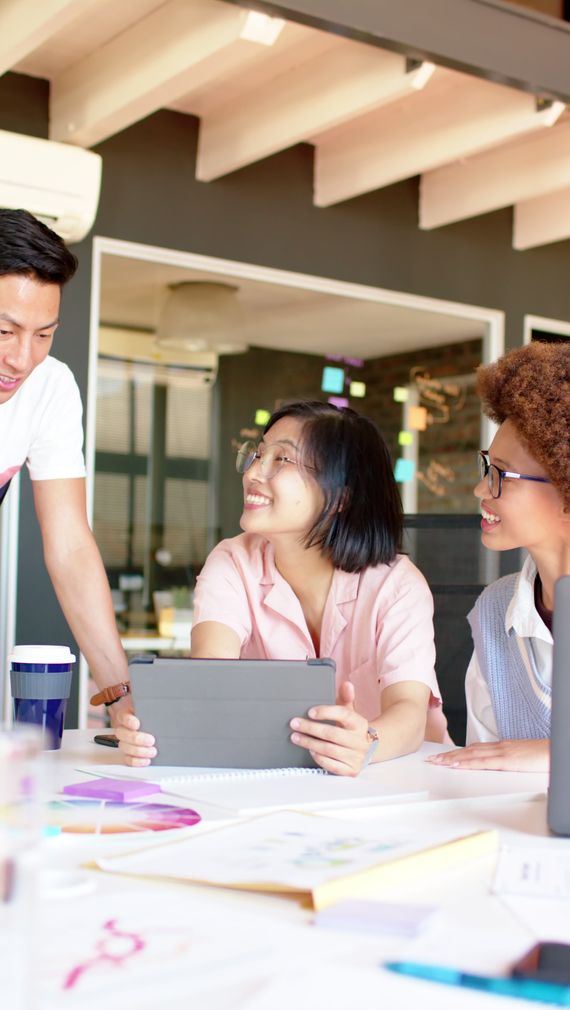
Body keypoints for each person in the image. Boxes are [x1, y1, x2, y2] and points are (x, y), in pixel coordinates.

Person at [116, 400, 448, 770]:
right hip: (282, 778)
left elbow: (409, 713)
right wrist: (157, 729)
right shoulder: (232, 562)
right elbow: (211, 682)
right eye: (258, 455)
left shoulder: (397, 585)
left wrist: (364, 743)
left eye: (281, 460)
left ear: (341, 496)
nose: (254, 473)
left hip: (403, 779)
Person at [0, 208, 135, 725]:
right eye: (5, 331)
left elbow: (70, 546)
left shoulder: (50, 387)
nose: (21, 359)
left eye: (43, 334)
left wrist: (119, 693)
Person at [428, 341, 570, 773]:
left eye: (500, 475)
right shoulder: (495, 611)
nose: (480, 490)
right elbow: (483, 768)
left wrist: (551, 757)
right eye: (485, 467)